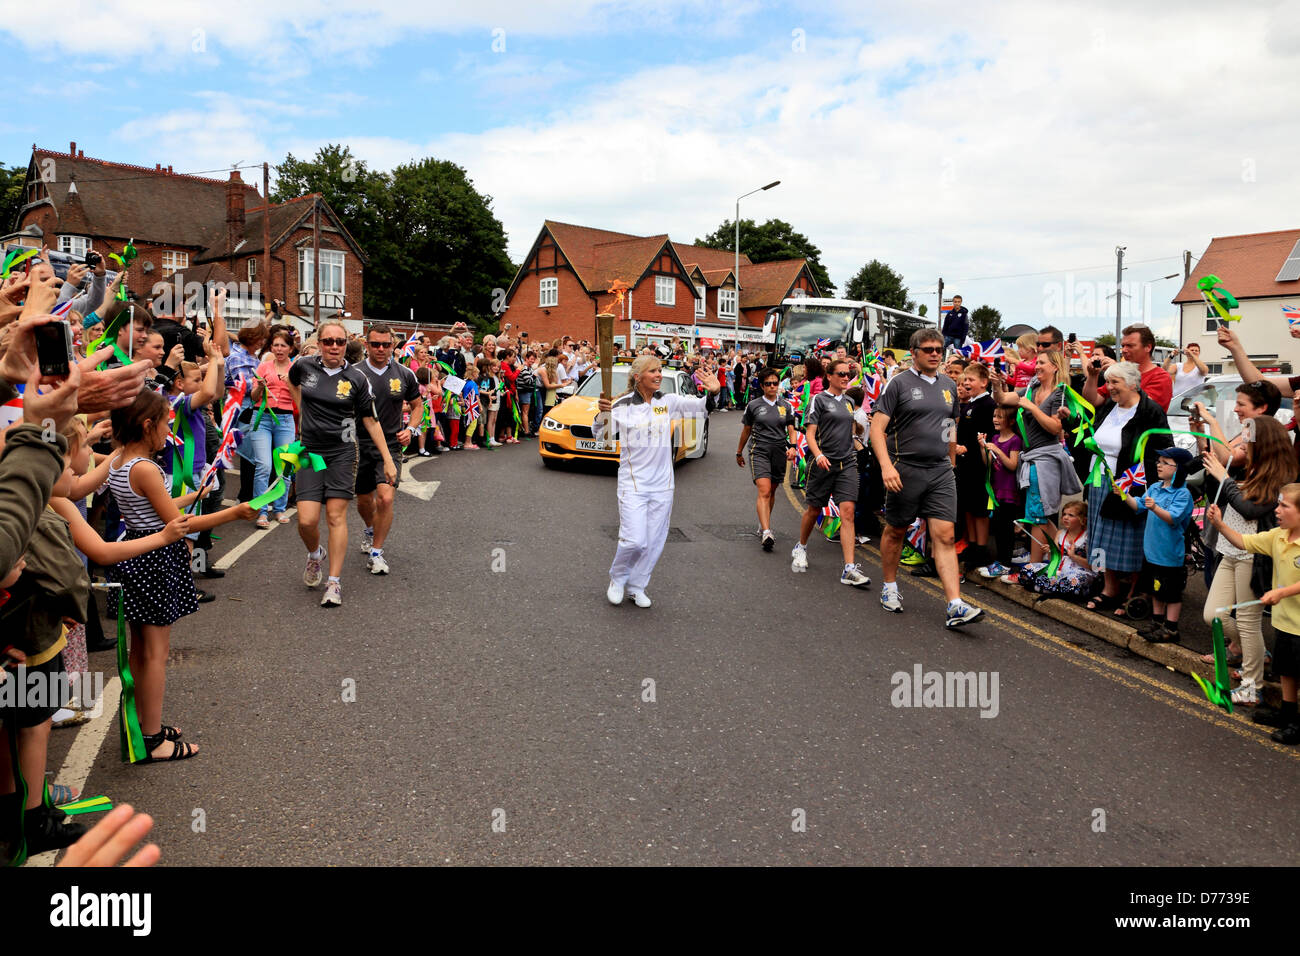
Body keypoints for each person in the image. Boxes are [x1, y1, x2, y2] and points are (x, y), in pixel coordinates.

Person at [107, 390, 254, 762]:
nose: (169, 429)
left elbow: (160, 506)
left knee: (141, 649)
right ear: (146, 425)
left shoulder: (118, 462)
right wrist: (234, 513)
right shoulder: (146, 468)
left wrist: (192, 496)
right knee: (156, 654)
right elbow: (176, 523)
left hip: (135, 556)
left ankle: (142, 725)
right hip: (155, 556)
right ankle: (153, 739)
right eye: (165, 423)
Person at [871, 329, 984, 627]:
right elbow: (877, 429)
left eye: (939, 349)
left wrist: (951, 459)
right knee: (896, 530)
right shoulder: (898, 384)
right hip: (904, 469)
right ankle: (890, 587)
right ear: (915, 352)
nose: (935, 353)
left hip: (940, 471)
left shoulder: (949, 385)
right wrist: (886, 467)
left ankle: (955, 605)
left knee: (945, 535)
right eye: (929, 349)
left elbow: (950, 423)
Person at [595, 355, 719, 607]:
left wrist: (715, 392)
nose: (659, 374)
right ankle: (617, 579)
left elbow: (701, 408)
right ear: (638, 377)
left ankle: (637, 586)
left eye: (660, 370)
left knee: (653, 541)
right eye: (653, 371)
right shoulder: (623, 405)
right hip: (634, 483)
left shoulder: (669, 401)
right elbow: (602, 437)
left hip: (663, 484)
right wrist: (602, 415)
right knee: (634, 539)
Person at [287, 321, 396, 608]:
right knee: (307, 520)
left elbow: (371, 420)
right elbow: (292, 382)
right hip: (309, 453)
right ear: (319, 342)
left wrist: (388, 459)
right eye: (328, 341)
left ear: (347, 344)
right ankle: (315, 555)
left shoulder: (357, 378)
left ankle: (333, 582)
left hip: (342, 453)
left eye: (339, 341)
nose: (334, 346)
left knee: (336, 516)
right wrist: (303, 412)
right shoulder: (303, 366)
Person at [1199, 415, 1296, 704]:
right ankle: (1256, 655)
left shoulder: (1280, 476)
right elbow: (1226, 486)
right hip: (1231, 551)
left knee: (1247, 622)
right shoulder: (1253, 469)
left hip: (1253, 555)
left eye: (1246, 438)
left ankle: (1253, 685)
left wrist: (1225, 479)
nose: (1242, 442)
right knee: (1213, 615)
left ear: (1262, 443)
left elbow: (1249, 510)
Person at [1071, 362, 1172, 616]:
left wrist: (1145, 481)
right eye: (1109, 382)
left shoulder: (1150, 411)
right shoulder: (1109, 407)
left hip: (1128, 481)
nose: (1110, 388)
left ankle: (1135, 592)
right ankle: (1109, 587)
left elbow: (1163, 447)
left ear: (1133, 383)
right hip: (1099, 480)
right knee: (1101, 537)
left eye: (1115, 382)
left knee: (1129, 539)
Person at [1207, 484, 1300, 744]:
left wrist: (1282, 592)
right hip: (1286, 622)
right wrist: (1220, 524)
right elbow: (1244, 542)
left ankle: (1296, 724)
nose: (1277, 510)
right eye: (1278, 504)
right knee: (1287, 672)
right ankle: (1287, 713)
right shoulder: (1276, 536)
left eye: (1284, 506)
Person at [990, 348, 1080, 581]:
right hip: (1032, 460)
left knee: (1037, 515)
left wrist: (1030, 407)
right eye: (1036, 363)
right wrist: (997, 385)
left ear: (1055, 367)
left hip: (1045, 460)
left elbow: (1054, 428)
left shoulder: (1060, 394)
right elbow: (1002, 400)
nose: (1036, 366)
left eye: (1041, 363)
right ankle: (1049, 560)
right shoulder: (1031, 388)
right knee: (1036, 515)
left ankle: (1037, 566)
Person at [353, 324, 421, 576]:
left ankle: (376, 552)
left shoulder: (404, 374)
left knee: (386, 497)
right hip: (359, 445)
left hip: (391, 445)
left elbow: (417, 405)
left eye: (386, 344)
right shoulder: (354, 373)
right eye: (375, 344)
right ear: (366, 345)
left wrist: (411, 430)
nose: (381, 349)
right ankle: (370, 529)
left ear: (393, 345)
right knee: (363, 501)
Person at [1121, 447, 1194, 641]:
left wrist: (1155, 507)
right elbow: (1138, 505)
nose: (1158, 465)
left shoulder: (1182, 494)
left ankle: (1171, 628)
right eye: (1158, 461)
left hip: (1169, 554)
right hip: (1151, 551)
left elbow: (1173, 518)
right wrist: (1124, 494)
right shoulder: (1154, 487)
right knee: (1156, 589)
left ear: (1178, 468)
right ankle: (1157, 622)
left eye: (1165, 462)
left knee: (1172, 593)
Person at [736, 368, 798, 552]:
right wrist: (739, 452)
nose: (772, 387)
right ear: (762, 386)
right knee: (763, 490)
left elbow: (791, 429)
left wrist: (793, 447)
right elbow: (746, 430)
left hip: (779, 451)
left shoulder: (786, 406)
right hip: (759, 451)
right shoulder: (753, 405)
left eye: (775, 383)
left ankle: (764, 524)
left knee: (771, 491)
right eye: (768, 384)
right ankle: (766, 532)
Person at [249, 327, 298, 525]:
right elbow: (253, 398)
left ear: (290, 348)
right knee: (263, 466)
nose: (279, 349)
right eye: (275, 345)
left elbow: (301, 400)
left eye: (283, 345)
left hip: (286, 420)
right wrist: (260, 387)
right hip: (262, 418)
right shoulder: (263, 367)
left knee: (284, 467)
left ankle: (279, 509)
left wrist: (291, 385)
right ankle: (261, 511)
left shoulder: (296, 369)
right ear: (271, 347)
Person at [955, 362, 996, 573]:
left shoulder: (987, 405)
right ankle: (971, 545)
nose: (967, 383)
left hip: (978, 464)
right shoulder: (971, 403)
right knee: (969, 508)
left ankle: (981, 549)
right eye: (965, 380)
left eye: (971, 380)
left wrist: (968, 448)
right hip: (965, 463)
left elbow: (985, 436)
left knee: (979, 510)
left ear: (984, 382)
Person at [976, 406, 1024, 578]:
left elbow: (1012, 465)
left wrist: (997, 450)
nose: (995, 419)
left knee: (1006, 529)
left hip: (1009, 491)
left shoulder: (1015, 440)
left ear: (1011, 421)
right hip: (996, 490)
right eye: (994, 415)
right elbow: (988, 463)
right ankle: (999, 561)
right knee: (997, 527)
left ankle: (1006, 563)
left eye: (1000, 417)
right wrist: (984, 448)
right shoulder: (995, 437)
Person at [1083, 323, 1173, 412]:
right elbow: (1092, 401)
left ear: (1148, 347)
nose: (1124, 350)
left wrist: (1119, 373)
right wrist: (1092, 376)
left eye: (1130, 346)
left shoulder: (1161, 377)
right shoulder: (1118, 374)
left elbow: (1143, 409)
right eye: (1123, 346)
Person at [1018, 499, 1098, 598]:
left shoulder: (1088, 537)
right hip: (1059, 570)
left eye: (1071, 515)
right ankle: (1055, 589)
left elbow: (1096, 567)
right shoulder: (1060, 533)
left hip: (1079, 572)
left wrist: (1073, 556)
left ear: (1083, 520)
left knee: (1075, 581)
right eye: (1064, 514)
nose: (1065, 517)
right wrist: (1050, 551)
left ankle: (1044, 587)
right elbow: (1053, 559)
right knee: (1028, 569)